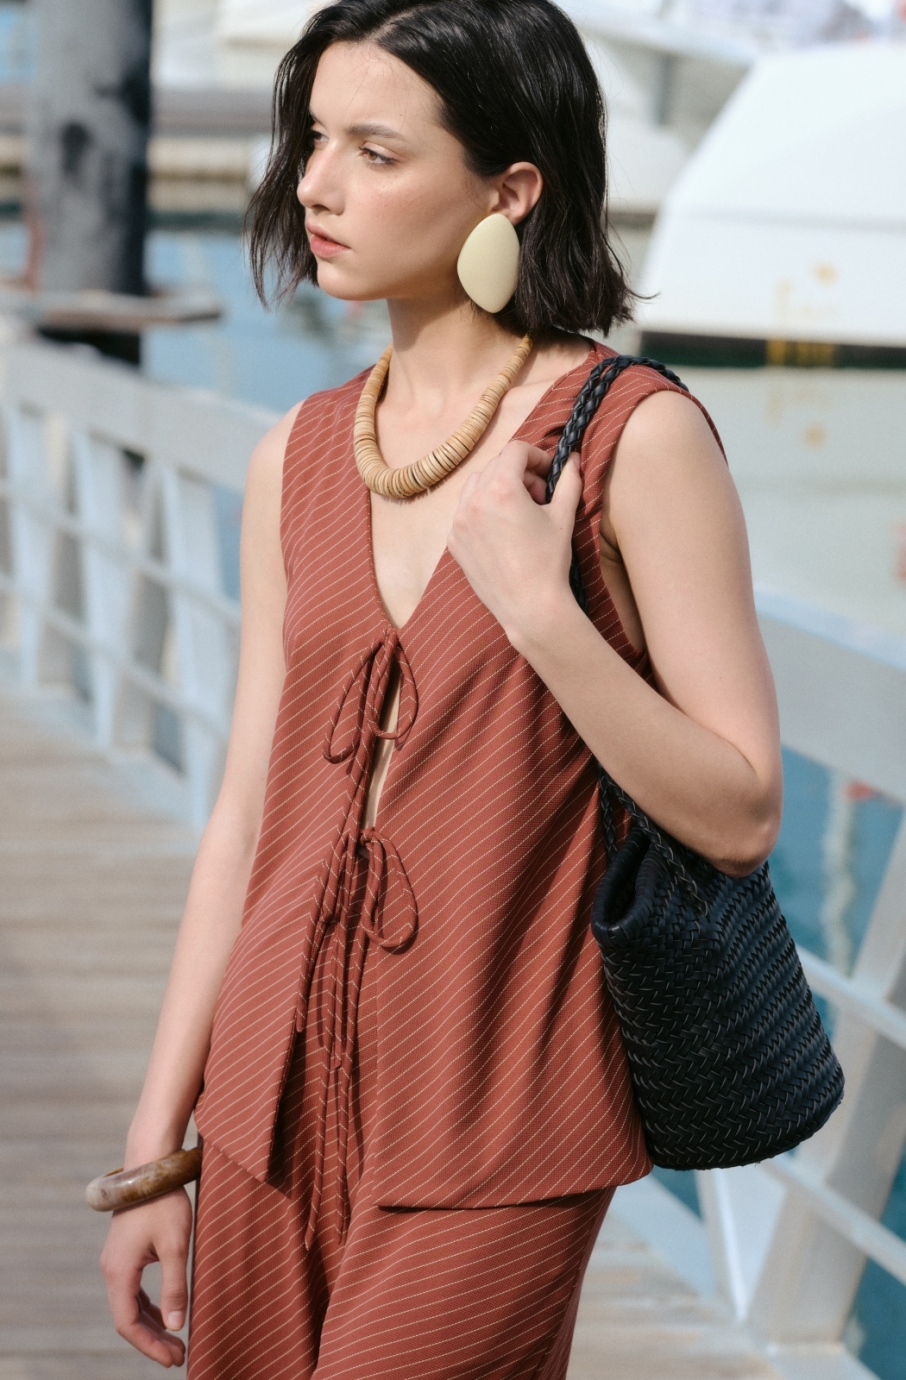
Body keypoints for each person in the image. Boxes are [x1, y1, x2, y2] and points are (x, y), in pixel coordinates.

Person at [99, 0, 783, 1374]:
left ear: (508, 189)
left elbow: (743, 809)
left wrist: (542, 610)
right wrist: (158, 1148)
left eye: (375, 152)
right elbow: (245, 824)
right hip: (265, 1102)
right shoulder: (296, 454)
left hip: (500, 1111)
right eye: (312, 141)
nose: (316, 186)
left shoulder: (634, 438)